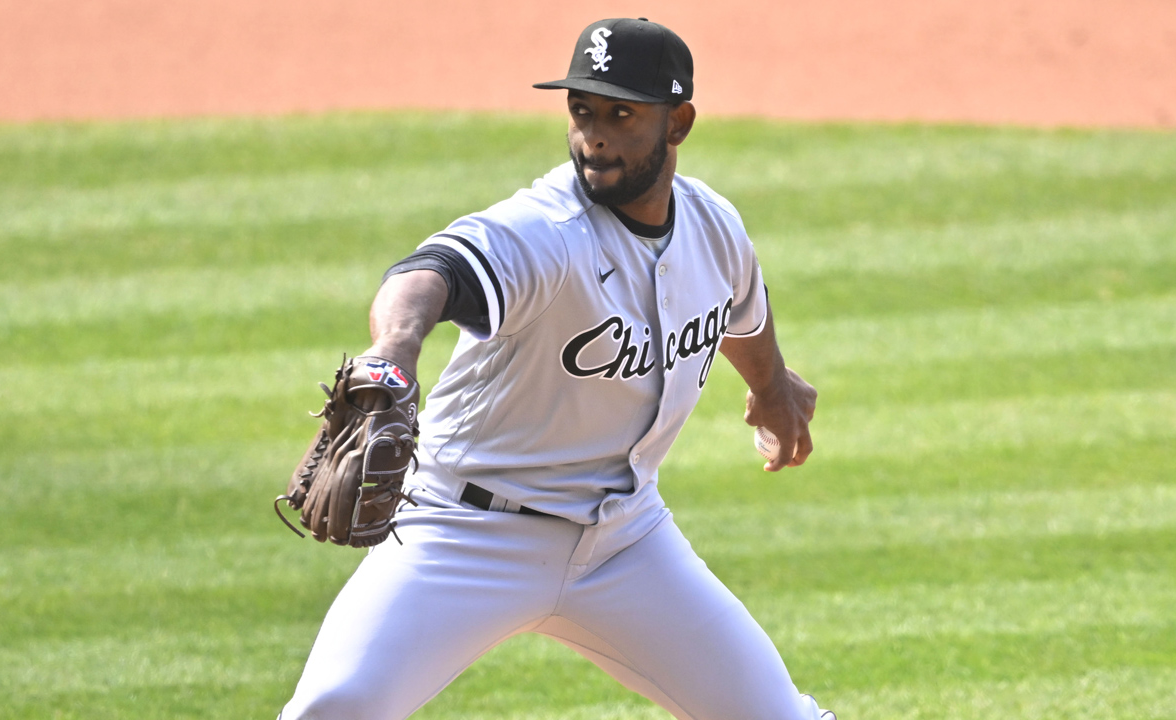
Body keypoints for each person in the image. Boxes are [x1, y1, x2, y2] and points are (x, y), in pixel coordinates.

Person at [280, 17, 829, 720]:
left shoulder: (714, 226)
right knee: (334, 707)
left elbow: (741, 313)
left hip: (626, 541)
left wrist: (773, 388)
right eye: (582, 110)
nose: (593, 134)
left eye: (621, 114)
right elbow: (429, 274)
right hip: (465, 533)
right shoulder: (544, 230)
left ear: (679, 123)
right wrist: (393, 353)